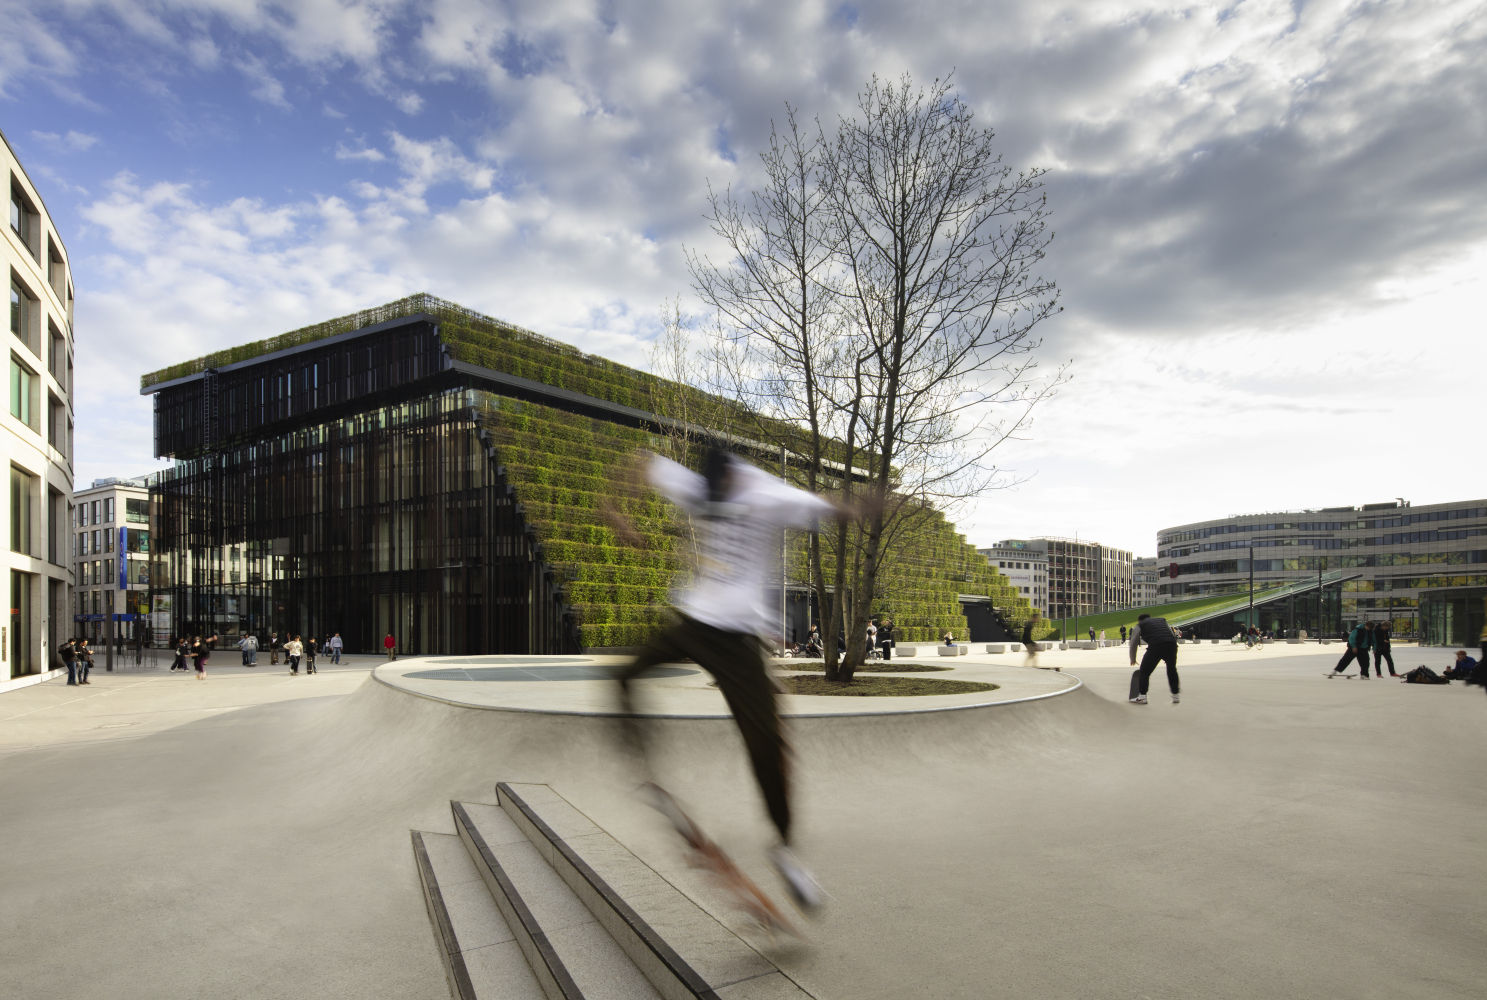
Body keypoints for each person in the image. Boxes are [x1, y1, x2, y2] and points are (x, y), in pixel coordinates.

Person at [609, 445, 855, 913]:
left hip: (740, 640)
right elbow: (637, 460)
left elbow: (832, 507)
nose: (712, 505)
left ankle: (785, 850)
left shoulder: (766, 493)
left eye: (721, 496)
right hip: (694, 622)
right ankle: (648, 775)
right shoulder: (695, 483)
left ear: (734, 482)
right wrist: (615, 511)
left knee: (766, 745)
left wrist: (874, 502)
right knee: (623, 676)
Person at [1129, 613, 1180, 704]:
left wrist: (1133, 658)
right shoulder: (1162, 620)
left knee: (1144, 672)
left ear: (1140, 620)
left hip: (1156, 645)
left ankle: (1142, 697)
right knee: (1172, 670)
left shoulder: (1140, 624)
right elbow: (1171, 633)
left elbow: (1133, 642)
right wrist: (1168, 654)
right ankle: (1176, 696)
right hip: (1171, 645)